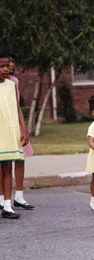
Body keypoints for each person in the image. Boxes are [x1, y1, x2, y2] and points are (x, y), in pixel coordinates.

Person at [0, 52, 35, 211]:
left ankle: (8, 205)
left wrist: (24, 129)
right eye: (2, 66)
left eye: (8, 65)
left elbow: (17, 109)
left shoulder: (12, 85)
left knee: (8, 167)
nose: (6, 69)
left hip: (10, 132)